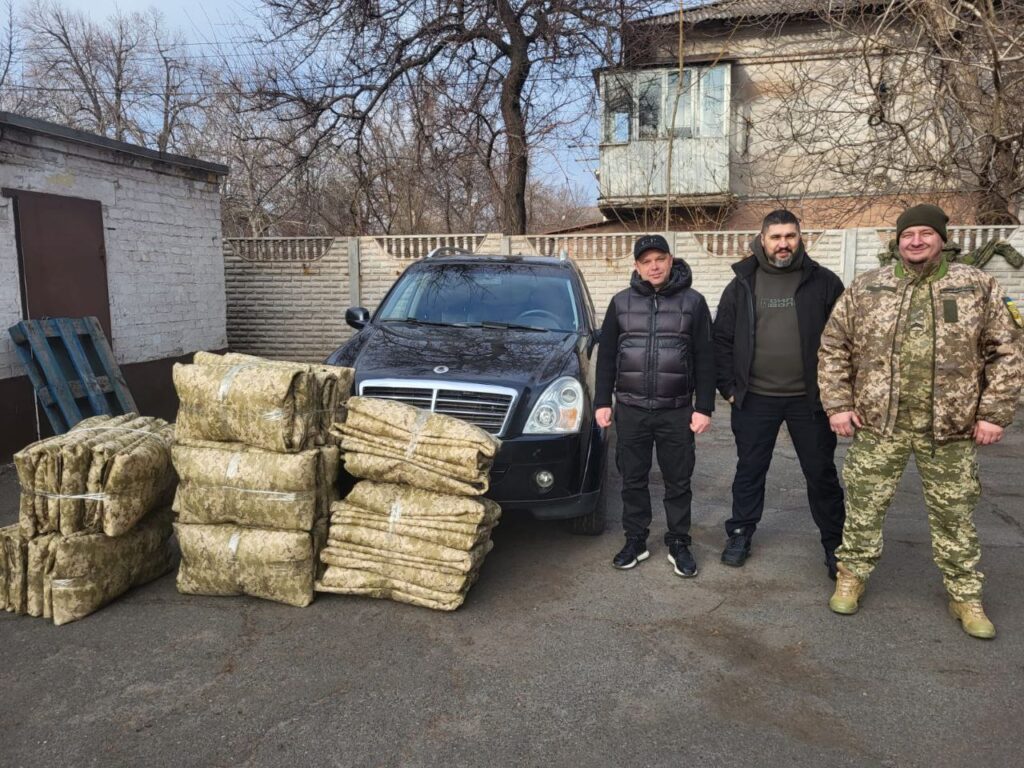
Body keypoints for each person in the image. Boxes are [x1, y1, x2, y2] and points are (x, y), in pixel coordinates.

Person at [819, 204, 1023, 639]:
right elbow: (834, 346)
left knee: (955, 514)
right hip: (879, 423)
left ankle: (965, 594)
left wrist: (993, 413)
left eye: (925, 233)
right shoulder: (868, 287)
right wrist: (837, 404)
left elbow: (1007, 351)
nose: (915, 241)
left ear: (942, 239)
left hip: (949, 428)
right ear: (897, 241)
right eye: (907, 234)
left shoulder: (975, 286)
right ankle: (851, 575)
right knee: (863, 507)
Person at [713, 210, 846, 578]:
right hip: (755, 397)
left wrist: (839, 395)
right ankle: (740, 533)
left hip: (811, 400)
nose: (783, 244)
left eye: (790, 236)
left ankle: (836, 545)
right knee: (750, 470)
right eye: (776, 237)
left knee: (821, 473)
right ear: (763, 240)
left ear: (800, 238)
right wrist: (729, 389)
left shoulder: (824, 283)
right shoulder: (742, 283)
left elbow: (845, 341)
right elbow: (721, 339)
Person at [595, 233, 715, 577]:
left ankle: (679, 542)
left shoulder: (694, 302)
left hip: (676, 409)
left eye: (660, 259)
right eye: (646, 261)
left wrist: (704, 406)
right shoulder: (620, 303)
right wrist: (602, 401)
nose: (654, 266)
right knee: (632, 478)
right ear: (637, 266)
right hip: (631, 408)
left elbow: (706, 357)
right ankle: (636, 540)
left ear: (670, 260)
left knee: (678, 480)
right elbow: (606, 356)